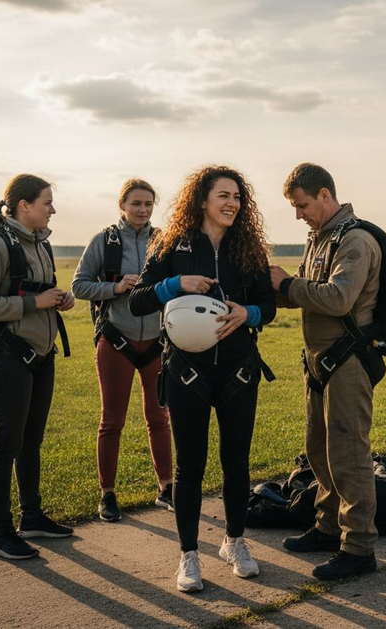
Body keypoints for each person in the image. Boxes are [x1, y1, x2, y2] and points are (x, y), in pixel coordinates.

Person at [129, 165, 275, 593]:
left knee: (237, 462)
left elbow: (269, 304)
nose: (232, 204)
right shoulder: (171, 245)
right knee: (190, 466)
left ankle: (234, 542)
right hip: (185, 372)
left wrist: (248, 313)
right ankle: (188, 555)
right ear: (202, 200)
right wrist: (175, 284)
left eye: (237, 197)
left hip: (238, 369)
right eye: (223, 196)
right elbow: (138, 301)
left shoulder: (249, 248)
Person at [269, 163, 382, 581]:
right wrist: (270, 288)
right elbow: (305, 293)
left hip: (348, 360)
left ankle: (359, 548)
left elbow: (336, 299)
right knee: (318, 449)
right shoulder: (320, 239)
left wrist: (286, 285)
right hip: (319, 359)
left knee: (349, 454)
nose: (299, 214)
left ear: (324, 195)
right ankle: (327, 526)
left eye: (302, 206)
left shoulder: (354, 239)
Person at [0, 174, 76, 560]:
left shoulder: (39, 244)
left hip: (40, 357)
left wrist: (61, 300)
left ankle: (32, 517)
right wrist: (36, 304)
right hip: (9, 357)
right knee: (6, 444)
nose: (53, 209)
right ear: (24, 205)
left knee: (32, 442)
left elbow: (36, 294)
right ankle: (0, 534)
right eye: (47, 202)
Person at [72, 178, 173, 522]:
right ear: (122, 205)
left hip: (158, 342)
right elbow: (79, 285)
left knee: (160, 418)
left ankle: (167, 487)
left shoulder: (165, 241)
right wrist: (116, 286)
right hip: (116, 340)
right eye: (136, 204)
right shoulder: (104, 241)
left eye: (148, 204)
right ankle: (108, 495)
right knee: (112, 421)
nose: (142, 210)